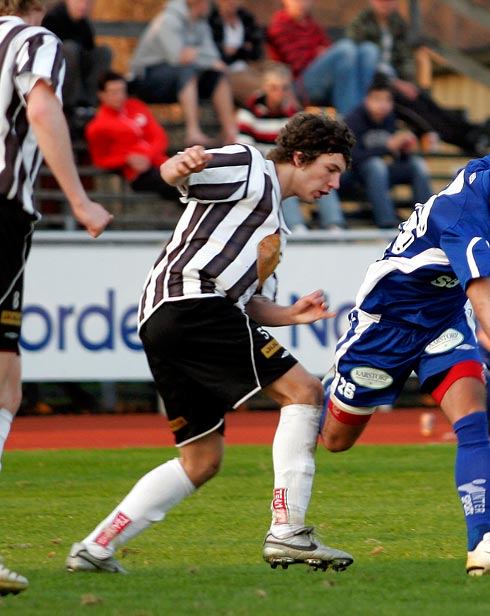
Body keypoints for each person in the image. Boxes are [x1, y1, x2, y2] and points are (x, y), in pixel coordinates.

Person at [321, 36, 490, 576]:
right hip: (384, 326)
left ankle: (479, 542)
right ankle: (306, 403)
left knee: (472, 421)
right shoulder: (465, 225)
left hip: (439, 320)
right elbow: (487, 303)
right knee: (335, 441)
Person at [65, 112, 356, 574]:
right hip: (189, 303)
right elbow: (172, 174)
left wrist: (291, 315)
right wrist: (179, 165)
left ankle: (95, 547)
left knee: (201, 460)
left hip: (169, 320)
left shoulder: (275, 232)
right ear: (300, 157)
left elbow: (249, 307)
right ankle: (288, 532)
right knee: (305, 392)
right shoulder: (249, 165)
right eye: (331, 169)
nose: (334, 183)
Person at [0, 0, 113, 595]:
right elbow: (41, 107)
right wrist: (79, 199)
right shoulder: (34, 41)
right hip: (1, 213)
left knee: (9, 378)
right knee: (1, 381)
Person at [346, 0, 490, 156]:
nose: (386, 4)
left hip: (397, 83)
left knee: (427, 101)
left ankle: (471, 130)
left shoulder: (397, 23)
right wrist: (396, 84)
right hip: (376, 87)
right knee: (419, 114)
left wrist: (407, 83)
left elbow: (406, 58)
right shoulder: (361, 24)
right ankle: (467, 139)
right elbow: (359, 64)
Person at [237, 62, 346, 231]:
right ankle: (297, 227)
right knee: (284, 176)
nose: (279, 93)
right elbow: (245, 151)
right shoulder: (248, 113)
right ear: (265, 87)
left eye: (284, 87)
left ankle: (335, 225)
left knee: (323, 176)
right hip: (264, 171)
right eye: (274, 87)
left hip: (290, 164)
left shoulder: (294, 113)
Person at [127, 0, 238, 147]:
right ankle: (193, 132)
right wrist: (200, 57)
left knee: (217, 75)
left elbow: (214, 58)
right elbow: (177, 58)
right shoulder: (168, 20)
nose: (211, 6)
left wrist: (195, 54)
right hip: (146, 79)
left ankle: (231, 134)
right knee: (186, 70)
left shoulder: (201, 24)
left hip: (180, 76)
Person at [341, 75, 432, 229]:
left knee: (417, 164)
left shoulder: (390, 119)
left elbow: (393, 155)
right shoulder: (353, 120)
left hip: (383, 175)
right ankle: (387, 223)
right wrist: (388, 147)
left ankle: (427, 221)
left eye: (387, 100)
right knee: (375, 165)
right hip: (355, 176)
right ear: (366, 100)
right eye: (377, 99)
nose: (382, 105)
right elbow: (351, 158)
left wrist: (403, 150)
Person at [266, 0, 379, 116]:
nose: (300, 3)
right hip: (297, 85)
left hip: (319, 76)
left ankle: (362, 111)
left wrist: (323, 55)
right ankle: (351, 118)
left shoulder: (311, 24)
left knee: (369, 50)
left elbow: (327, 49)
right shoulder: (279, 25)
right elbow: (297, 63)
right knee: (346, 49)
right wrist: (318, 55)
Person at [85, 71, 180, 202]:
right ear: (102, 95)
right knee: (175, 184)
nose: (120, 96)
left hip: (157, 160)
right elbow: (100, 160)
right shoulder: (97, 126)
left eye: (122, 91)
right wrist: (126, 160)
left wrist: (147, 156)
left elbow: (159, 136)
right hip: (138, 173)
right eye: (114, 92)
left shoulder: (136, 106)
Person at [41, 0, 112, 125]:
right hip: (56, 74)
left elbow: (90, 51)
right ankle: (72, 104)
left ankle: (90, 104)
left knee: (104, 52)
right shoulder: (52, 19)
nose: (83, 6)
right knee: (69, 49)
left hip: (80, 71)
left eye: (88, 3)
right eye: (79, 2)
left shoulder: (84, 25)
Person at [208, 0, 265, 107]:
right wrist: (243, 49)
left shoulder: (246, 18)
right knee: (265, 88)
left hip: (249, 68)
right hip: (226, 72)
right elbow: (216, 54)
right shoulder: (212, 20)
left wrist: (235, 51)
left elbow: (257, 52)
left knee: (279, 73)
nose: (232, 2)